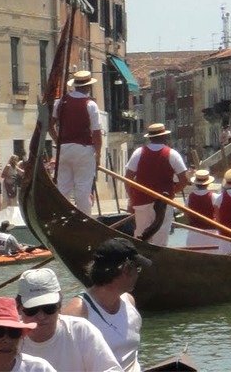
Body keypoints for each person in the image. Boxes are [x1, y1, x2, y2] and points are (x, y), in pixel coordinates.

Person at [62, 238, 147, 372]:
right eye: (137, 268)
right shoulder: (78, 311)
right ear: (125, 269)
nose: (138, 274)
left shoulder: (129, 301)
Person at [16, 268, 121, 371]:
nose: (41, 316)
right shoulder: (11, 340)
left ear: (59, 305)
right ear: (19, 309)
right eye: (32, 310)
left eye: (49, 308)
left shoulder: (81, 331)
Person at [124, 123, 190, 246]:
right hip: (164, 202)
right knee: (161, 238)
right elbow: (184, 179)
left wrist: (132, 199)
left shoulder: (138, 153)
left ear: (150, 137)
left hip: (141, 201)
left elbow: (128, 179)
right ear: (164, 137)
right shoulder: (172, 154)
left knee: (140, 237)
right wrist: (172, 192)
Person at [50, 69, 103, 212]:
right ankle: (84, 218)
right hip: (84, 149)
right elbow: (96, 133)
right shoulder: (90, 104)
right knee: (83, 188)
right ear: (88, 86)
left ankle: (62, 216)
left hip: (63, 149)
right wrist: (98, 154)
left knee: (63, 187)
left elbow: (49, 125)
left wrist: (58, 141)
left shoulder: (60, 102)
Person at [182, 170, 219, 250]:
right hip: (211, 234)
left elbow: (186, 215)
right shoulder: (214, 196)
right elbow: (219, 216)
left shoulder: (190, 197)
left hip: (194, 233)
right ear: (208, 183)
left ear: (196, 183)